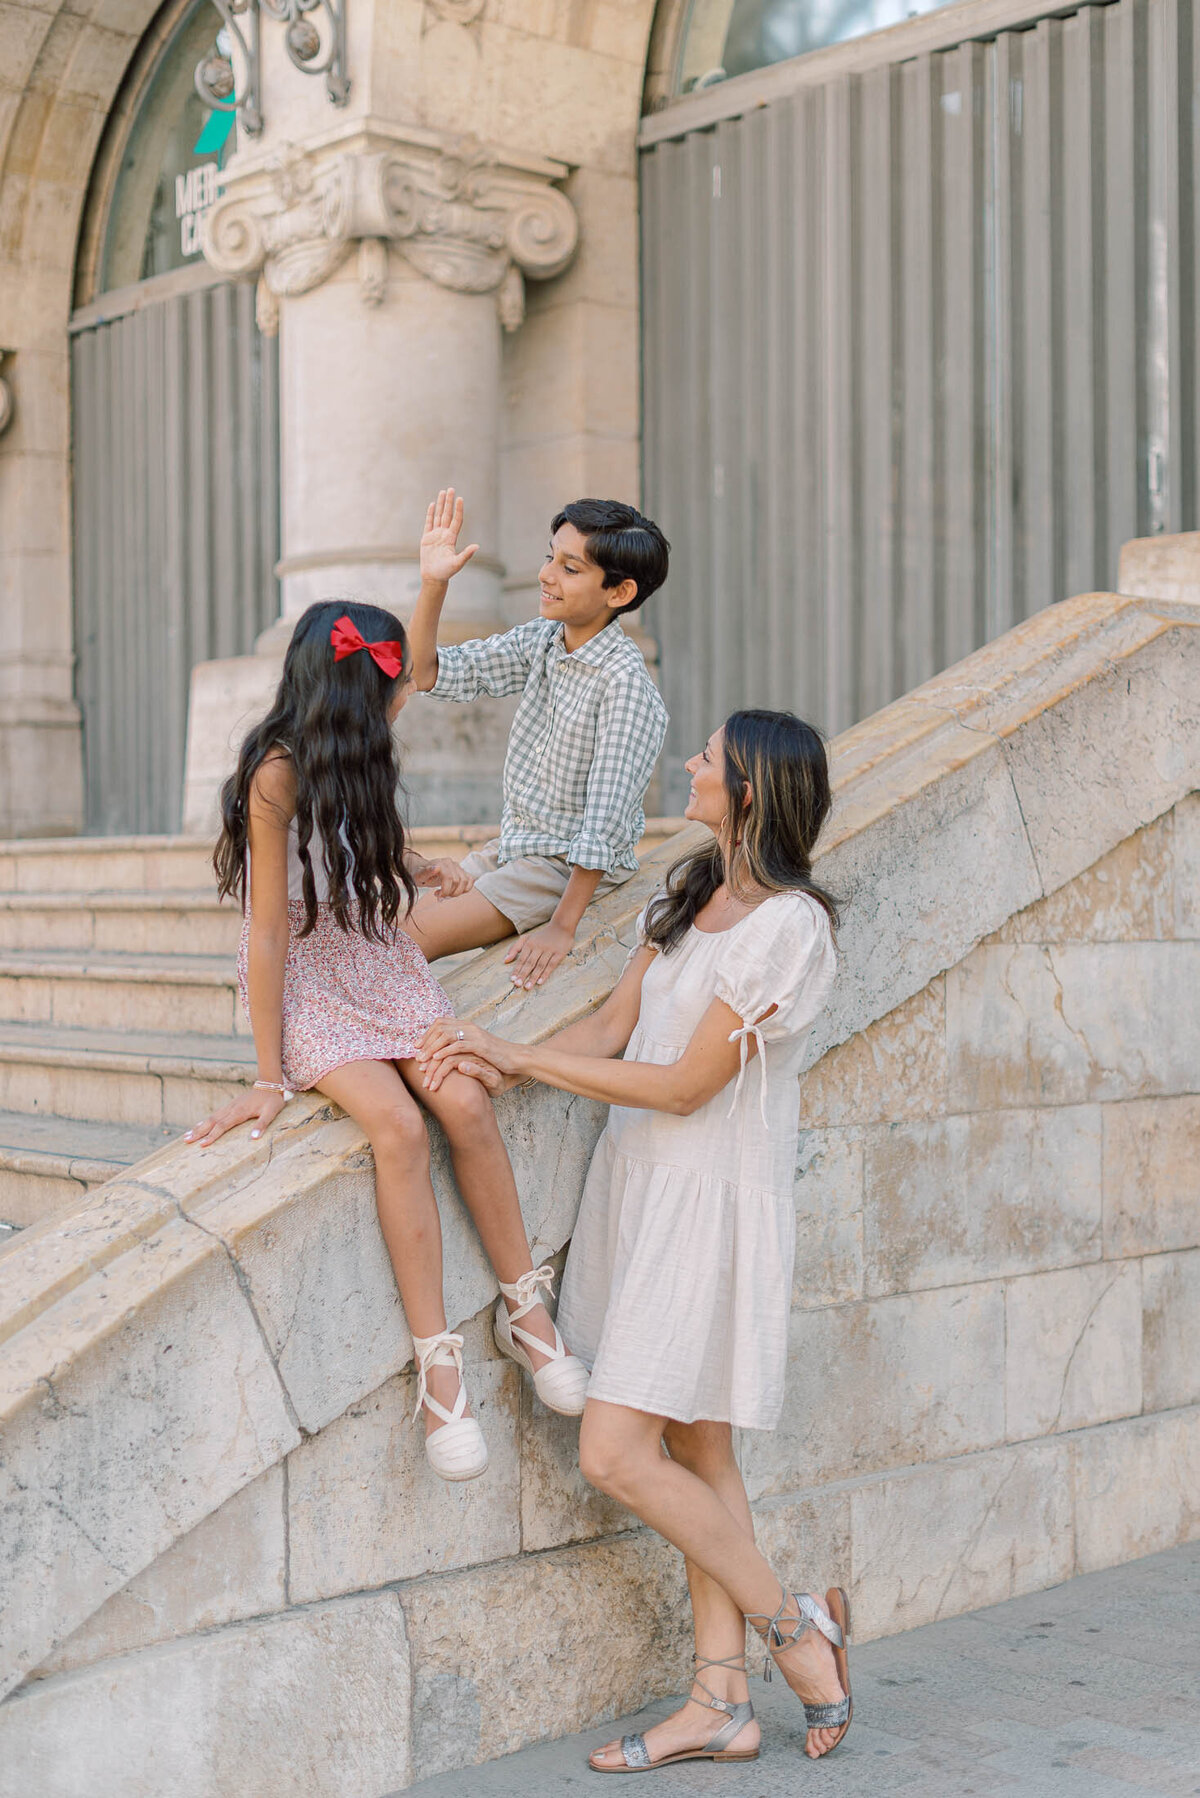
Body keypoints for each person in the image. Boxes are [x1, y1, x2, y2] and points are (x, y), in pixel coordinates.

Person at [419, 709, 852, 1765]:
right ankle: (721, 1704)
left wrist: (518, 1059)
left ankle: (797, 1633)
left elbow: (685, 1084)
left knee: (616, 1450)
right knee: (702, 1449)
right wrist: (489, 1061)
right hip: (637, 1191)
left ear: (749, 787)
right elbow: (613, 1033)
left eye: (709, 756)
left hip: (708, 1202)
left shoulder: (791, 927)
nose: (692, 764)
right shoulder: (697, 889)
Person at [184, 599, 589, 1482]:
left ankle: (527, 1314)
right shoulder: (273, 772)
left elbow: (351, 831)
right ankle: (437, 1365)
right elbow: (264, 929)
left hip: (377, 951)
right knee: (398, 1128)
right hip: (307, 971)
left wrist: (412, 866)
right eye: (389, 687)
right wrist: (267, 1074)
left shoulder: (358, 747)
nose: (400, 701)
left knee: (464, 1098)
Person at [401, 489, 670, 990]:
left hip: (561, 869)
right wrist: (433, 583)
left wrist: (561, 927)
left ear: (620, 593)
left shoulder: (626, 683)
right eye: (551, 557)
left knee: (405, 938)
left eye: (571, 568)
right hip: (514, 849)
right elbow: (426, 671)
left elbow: (602, 828)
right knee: (378, 927)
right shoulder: (544, 640)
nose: (546, 574)